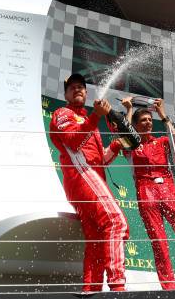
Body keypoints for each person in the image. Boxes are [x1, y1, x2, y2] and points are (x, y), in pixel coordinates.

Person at [105, 98, 175, 290]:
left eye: (149, 119)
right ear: (136, 126)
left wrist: (162, 114)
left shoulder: (162, 141)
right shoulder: (131, 146)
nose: (147, 122)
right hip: (146, 192)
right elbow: (124, 132)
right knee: (159, 243)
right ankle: (170, 288)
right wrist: (128, 110)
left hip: (169, 189)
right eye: (143, 120)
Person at [49, 74, 129, 292]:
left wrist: (116, 146)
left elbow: (99, 160)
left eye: (81, 87)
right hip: (81, 177)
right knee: (116, 222)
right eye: (72, 87)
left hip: (90, 178)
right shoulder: (62, 113)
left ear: (86, 93)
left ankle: (90, 291)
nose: (78, 90)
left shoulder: (87, 121)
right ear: (65, 94)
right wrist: (95, 116)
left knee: (96, 241)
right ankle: (118, 288)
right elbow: (74, 143)